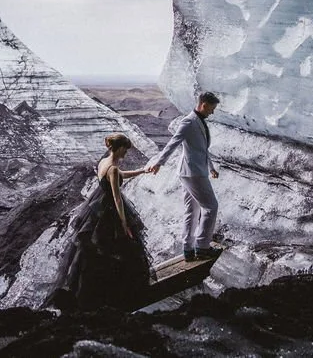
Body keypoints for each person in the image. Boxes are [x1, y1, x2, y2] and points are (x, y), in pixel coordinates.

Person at [45, 133, 154, 311]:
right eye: (125, 150)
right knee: (121, 248)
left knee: (94, 251)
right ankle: (118, 294)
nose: (126, 153)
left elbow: (120, 175)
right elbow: (118, 198)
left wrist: (142, 171)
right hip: (109, 210)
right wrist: (124, 223)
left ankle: (94, 292)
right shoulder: (113, 168)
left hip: (98, 205)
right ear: (119, 148)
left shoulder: (104, 162)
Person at [145, 91, 221, 261]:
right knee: (211, 207)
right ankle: (202, 247)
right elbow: (173, 143)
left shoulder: (198, 121)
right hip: (193, 173)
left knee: (191, 210)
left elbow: (201, 149)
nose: (212, 112)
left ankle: (188, 249)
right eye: (212, 108)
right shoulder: (188, 122)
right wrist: (159, 163)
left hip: (191, 171)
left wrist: (212, 168)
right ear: (204, 105)